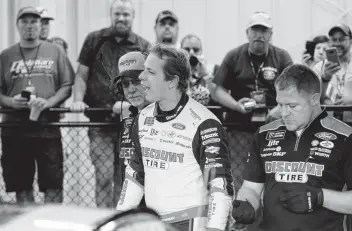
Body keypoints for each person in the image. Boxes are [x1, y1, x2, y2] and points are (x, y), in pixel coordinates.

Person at [116, 44, 234, 231]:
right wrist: (119, 220)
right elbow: (135, 176)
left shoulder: (205, 123)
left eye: (150, 72)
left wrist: (215, 228)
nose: (141, 77)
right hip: (154, 223)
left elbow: (219, 186)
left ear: (172, 81)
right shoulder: (143, 117)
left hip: (191, 223)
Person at [232, 64, 352, 231]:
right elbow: (251, 187)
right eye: (280, 105)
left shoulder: (345, 137)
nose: (284, 113)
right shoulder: (264, 134)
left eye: (292, 106)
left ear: (314, 99)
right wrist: (246, 204)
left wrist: (320, 197)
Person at [70, 0, 150, 208]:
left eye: (126, 14)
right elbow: (81, 75)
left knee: (124, 178)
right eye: (117, 14)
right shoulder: (94, 40)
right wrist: (78, 100)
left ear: (133, 17)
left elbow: (149, 84)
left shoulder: (143, 46)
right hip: (99, 123)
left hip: (129, 124)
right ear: (111, 15)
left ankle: (119, 223)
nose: (121, 18)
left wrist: (130, 104)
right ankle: (104, 221)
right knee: (104, 177)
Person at [210, 11, 293, 192]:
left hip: (275, 129)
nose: (259, 35)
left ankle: (271, 215)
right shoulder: (234, 56)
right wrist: (236, 106)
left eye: (264, 31)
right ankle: (243, 216)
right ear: (247, 33)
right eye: (255, 30)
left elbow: (293, 88)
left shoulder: (282, 57)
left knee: (274, 177)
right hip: (240, 129)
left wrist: (281, 107)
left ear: (271, 35)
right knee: (240, 177)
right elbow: (217, 90)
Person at [0, 7, 74, 204]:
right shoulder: (6, 56)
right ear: (17, 25)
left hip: (47, 128)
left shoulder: (55, 52)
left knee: (53, 184)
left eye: (34, 21)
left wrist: (48, 103)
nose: (29, 26)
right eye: (25, 21)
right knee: (21, 186)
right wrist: (11, 102)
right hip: (15, 129)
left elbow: (67, 86)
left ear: (41, 25)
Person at [113, 51, 149, 201]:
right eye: (125, 84)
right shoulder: (129, 118)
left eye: (136, 81)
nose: (131, 89)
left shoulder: (165, 116)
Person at [180, 34, 218, 106]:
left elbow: (218, 99)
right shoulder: (174, 72)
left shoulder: (213, 70)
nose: (191, 53)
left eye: (196, 50)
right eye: (186, 49)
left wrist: (206, 76)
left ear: (201, 51)